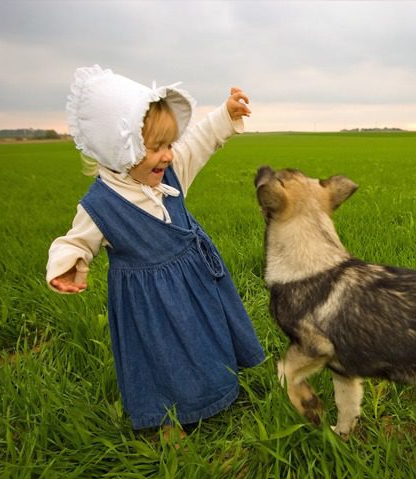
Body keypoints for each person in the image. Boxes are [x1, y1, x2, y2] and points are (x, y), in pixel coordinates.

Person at [47, 66, 264, 437]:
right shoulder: (101, 204)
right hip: (148, 304)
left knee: (205, 336)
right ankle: (165, 420)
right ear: (120, 147)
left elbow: (199, 141)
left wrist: (225, 116)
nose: (167, 155)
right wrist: (68, 264)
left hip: (196, 281)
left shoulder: (171, 170)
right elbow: (77, 241)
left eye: (169, 144)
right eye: (156, 146)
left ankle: (217, 389)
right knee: (161, 357)